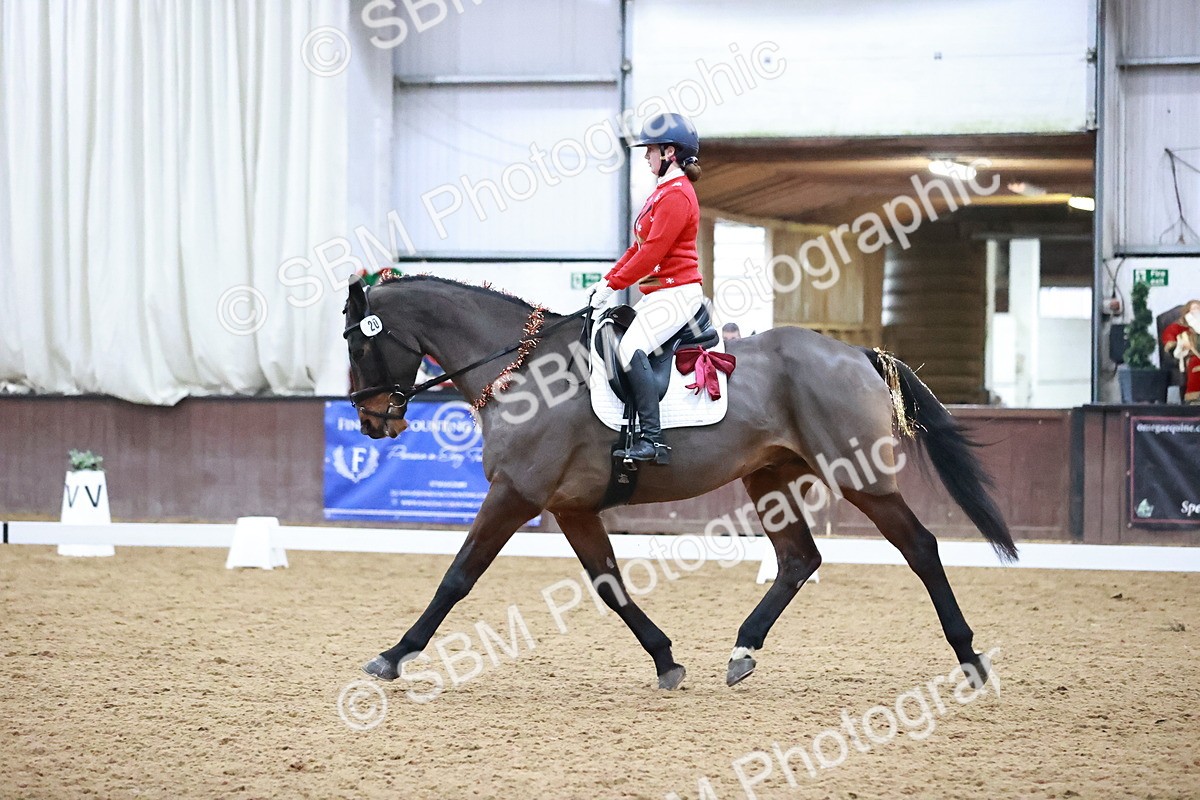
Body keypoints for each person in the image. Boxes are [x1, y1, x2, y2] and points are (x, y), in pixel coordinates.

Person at [588, 113, 704, 464]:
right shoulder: (661, 193)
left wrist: (614, 285)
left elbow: (654, 252)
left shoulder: (677, 196)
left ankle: (653, 441)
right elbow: (638, 248)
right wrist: (607, 281)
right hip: (659, 294)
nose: (646, 157)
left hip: (678, 292)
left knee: (630, 348)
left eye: (650, 150)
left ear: (670, 152)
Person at [1161, 299, 1200, 404]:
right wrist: (1176, 345)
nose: (1196, 311)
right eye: (1193, 309)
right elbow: (1169, 334)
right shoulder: (1180, 326)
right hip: (1190, 354)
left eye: (1198, 308)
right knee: (1195, 363)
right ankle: (1194, 398)